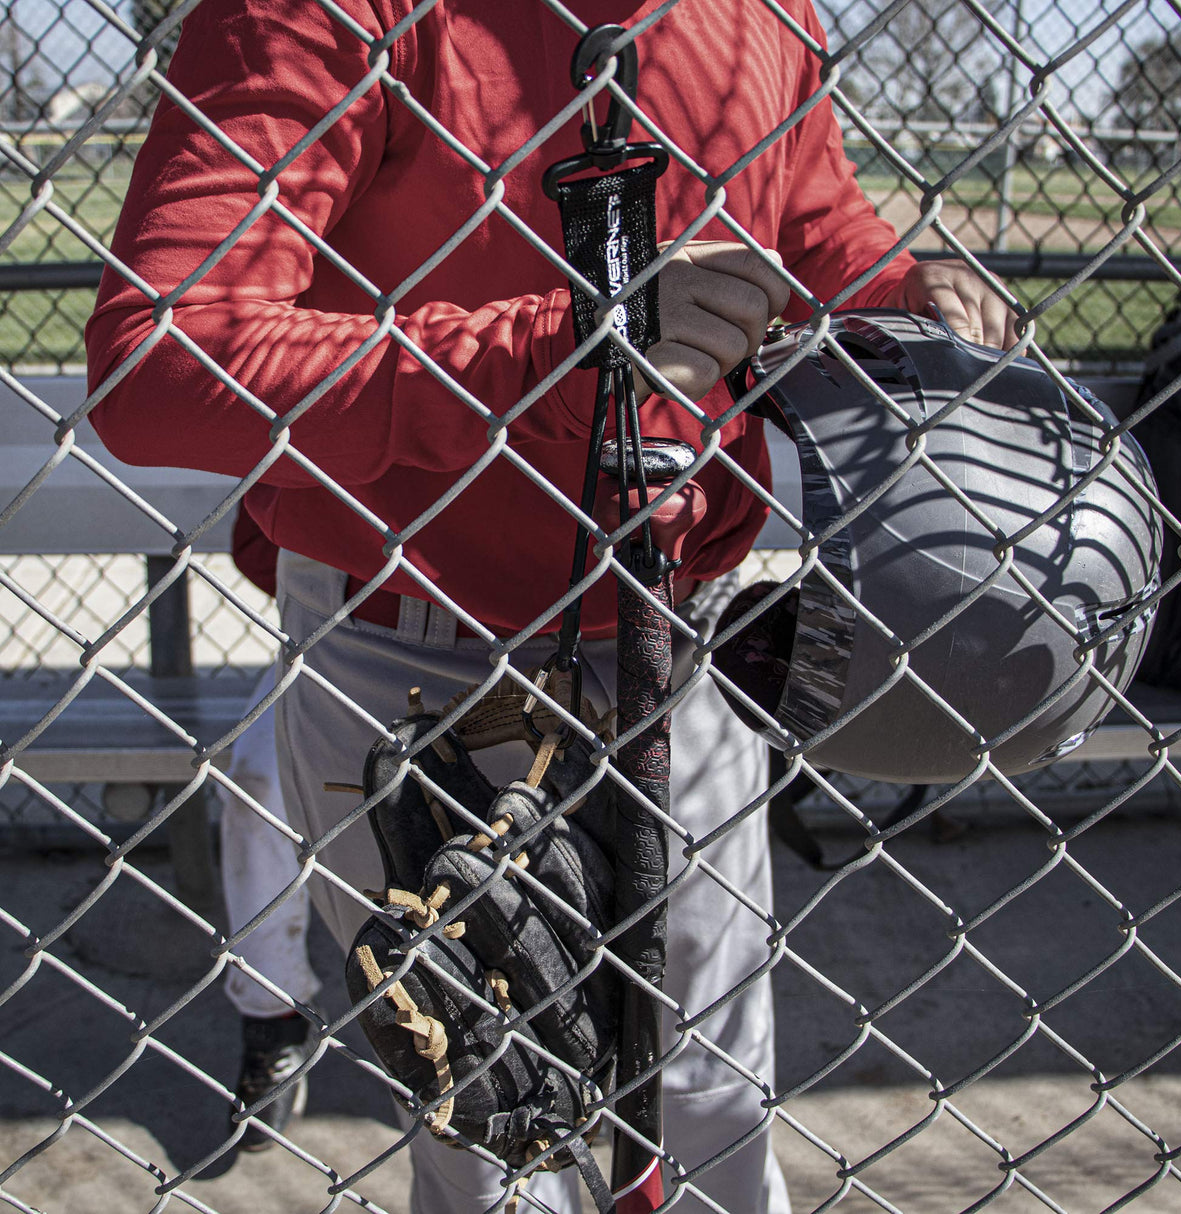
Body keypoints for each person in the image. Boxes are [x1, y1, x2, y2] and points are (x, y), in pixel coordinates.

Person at [84, 1, 1017, 1209]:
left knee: (715, 1106)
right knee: (492, 1130)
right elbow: (159, 359)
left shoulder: (762, 15)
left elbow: (804, 217)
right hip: (406, 641)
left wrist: (894, 280)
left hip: (673, 624)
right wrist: (569, 348)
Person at [220, 502, 322, 1151]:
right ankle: (273, 1017)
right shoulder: (346, 397)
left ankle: (552, 1032)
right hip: (345, 630)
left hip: (518, 633)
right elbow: (260, 541)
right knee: (259, 785)